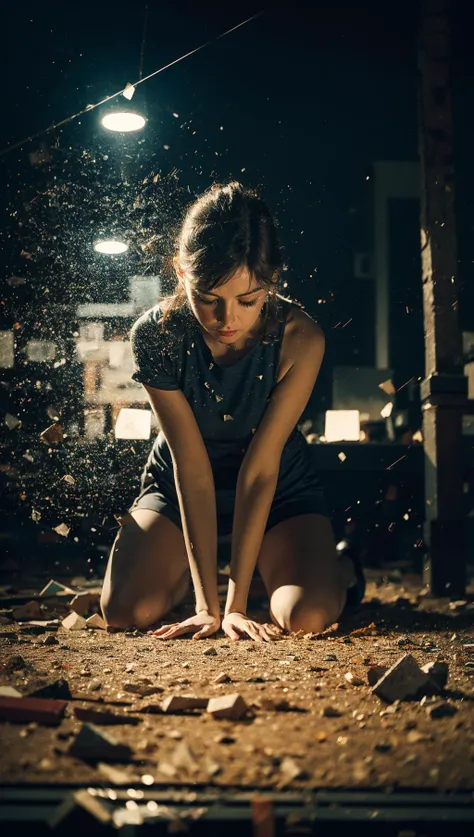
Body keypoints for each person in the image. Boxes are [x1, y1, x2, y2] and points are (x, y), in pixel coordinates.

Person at [100, 181, 365, 642]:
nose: (228, 320)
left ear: (272, 282)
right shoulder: (157, 334)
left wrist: (238, 609)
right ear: (181, 274)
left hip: (277, 485)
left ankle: (335, 568)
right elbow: (191, 467)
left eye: (248, 301)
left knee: (306, 617)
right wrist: (209, 609)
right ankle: (194, 581)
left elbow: (260, 470)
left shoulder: (302, 338)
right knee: (125, 611)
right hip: (180, 484)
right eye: (208, 299)